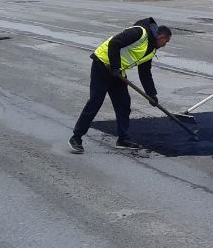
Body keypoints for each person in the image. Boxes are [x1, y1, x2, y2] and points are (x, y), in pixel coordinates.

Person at [69, 21, 172, 153]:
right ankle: (76, 138)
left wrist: (151, 94)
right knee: (95, 101)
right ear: (161, 37)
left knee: (123, 104)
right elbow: (114, 43)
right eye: (166, 41)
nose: (165, 45)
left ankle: (123, 139)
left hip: (117, 73)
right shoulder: (139, 32)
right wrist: (115, 67)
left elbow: (145, 73)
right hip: (102, 64)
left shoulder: (151, 50)